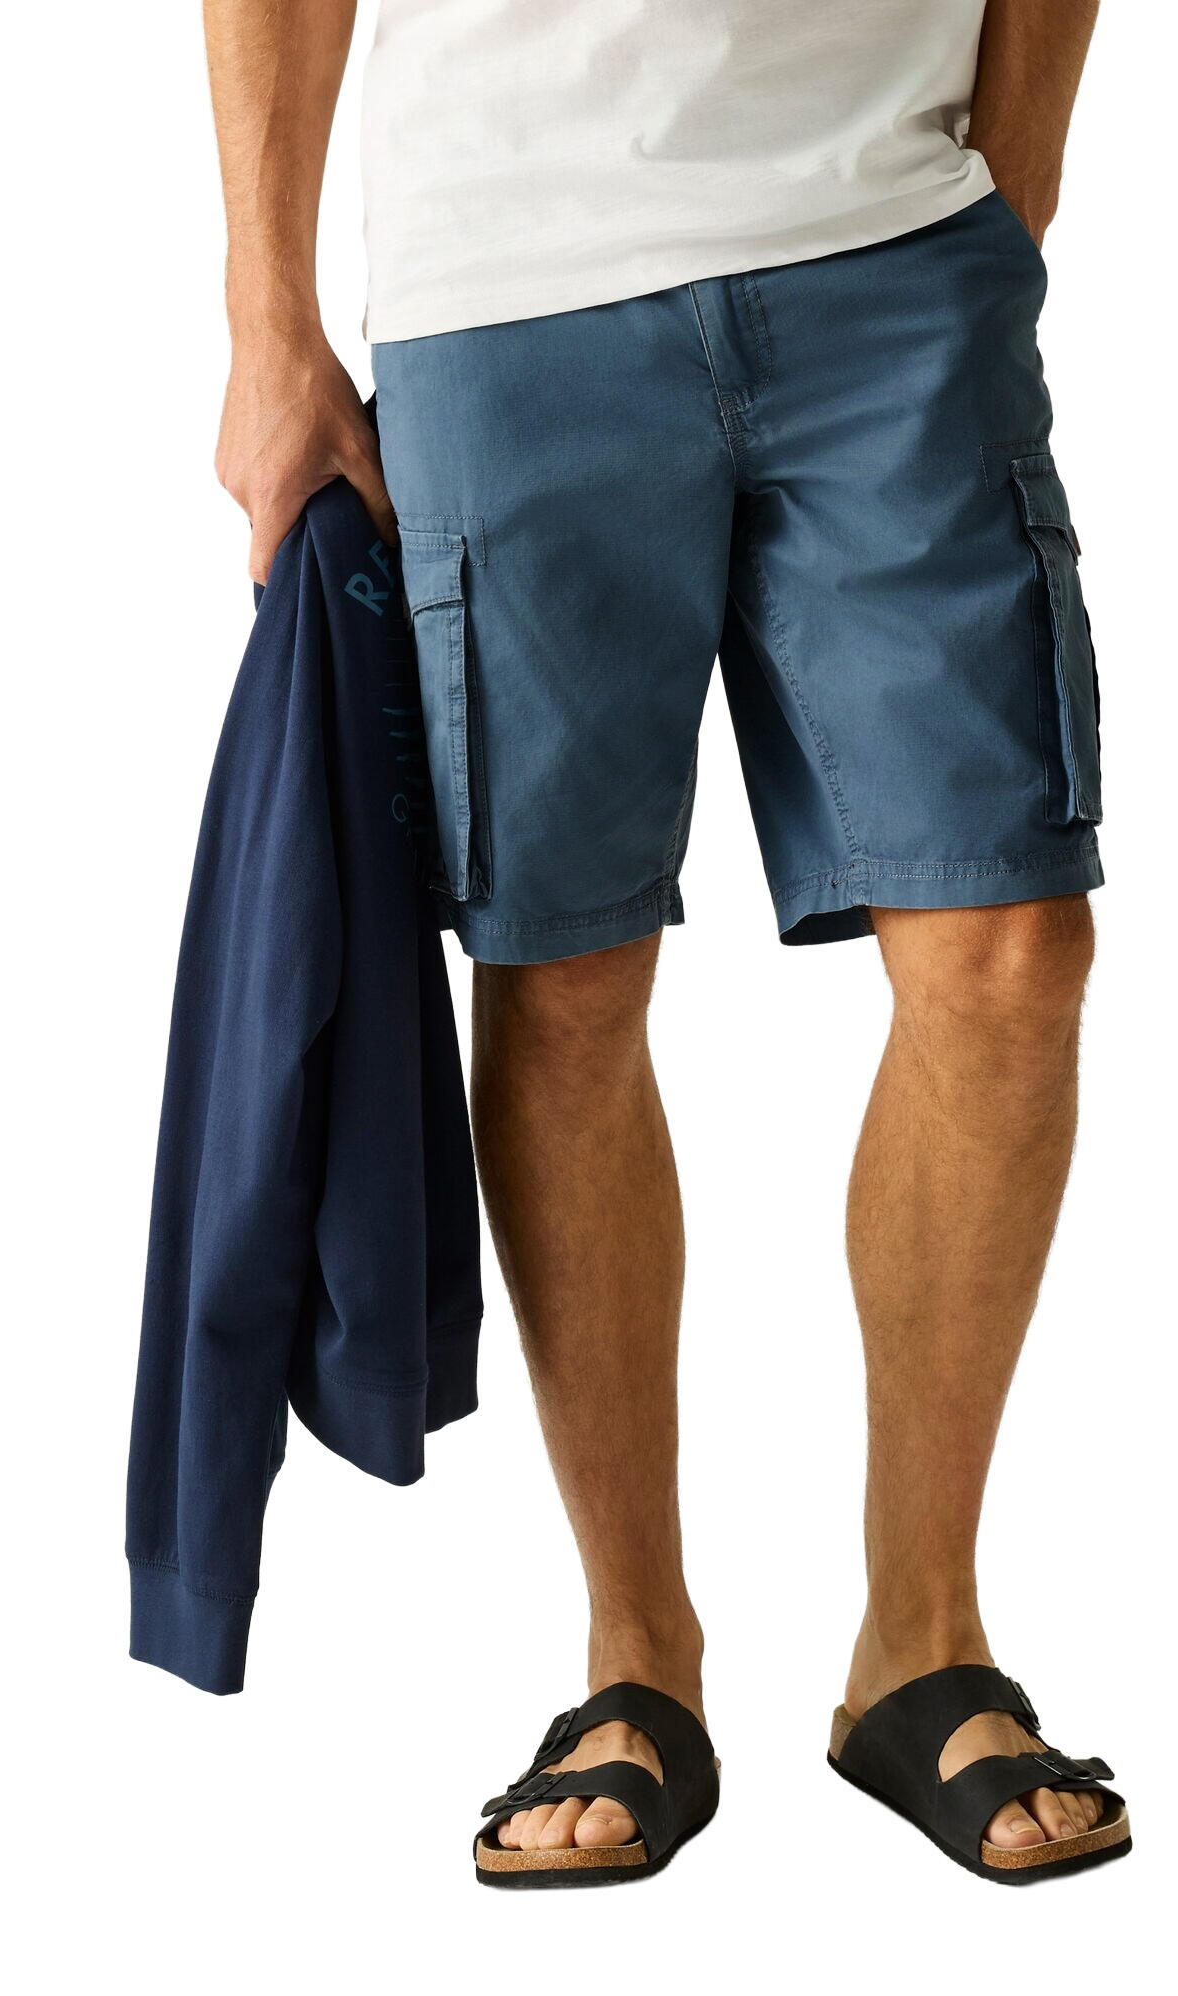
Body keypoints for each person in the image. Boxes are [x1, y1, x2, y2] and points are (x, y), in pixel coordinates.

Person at [205, 0, 1125, 1885]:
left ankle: (919, 1645)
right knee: (562, 977)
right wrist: (268, 318)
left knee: (1011, 958)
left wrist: (1009, 189)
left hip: (892, 249)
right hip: (509, 280)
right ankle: (638, 1661)